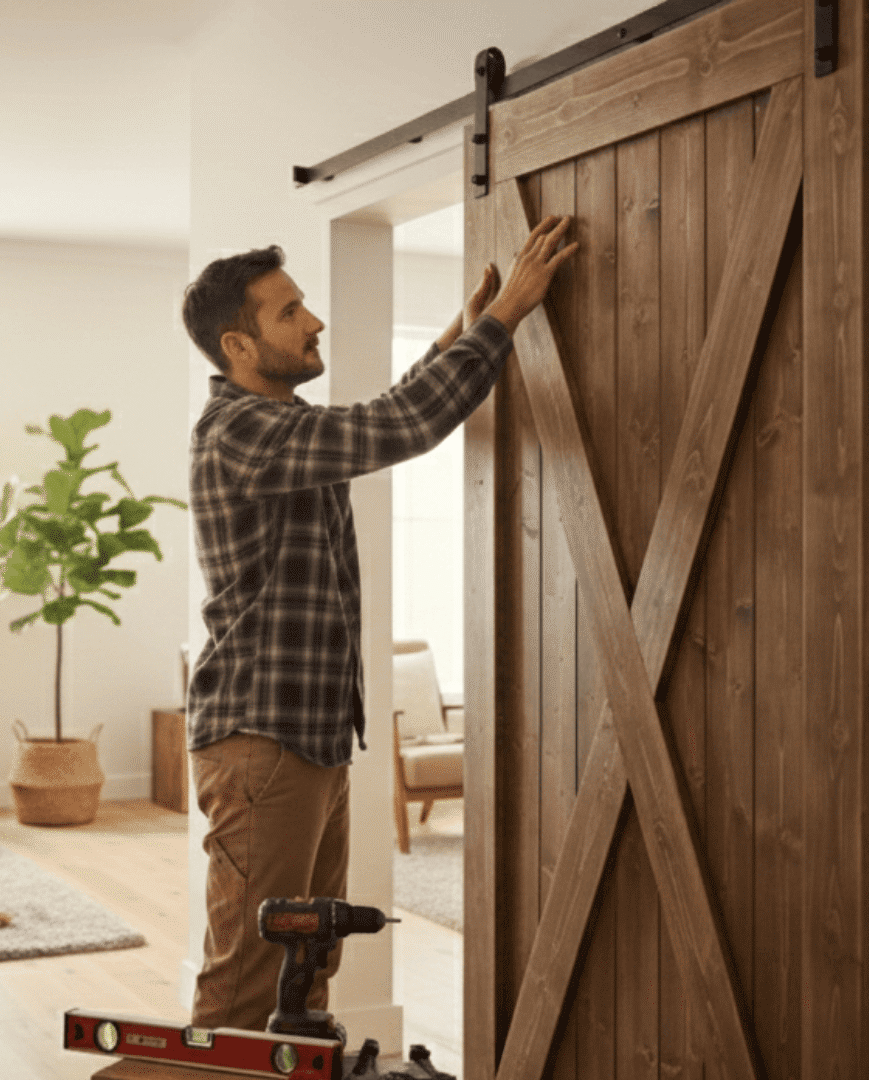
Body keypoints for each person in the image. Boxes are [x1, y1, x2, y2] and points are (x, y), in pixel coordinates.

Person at [179, 214, 577, 1032]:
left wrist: (460, 339)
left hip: (308, 736)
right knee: (249, 981)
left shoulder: (283, 428)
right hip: (262, 740)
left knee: (304, 965)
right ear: (238, 346)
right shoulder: (242, 432)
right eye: (289, 311)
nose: (314, 320)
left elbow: (383, 412)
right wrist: (502, 325)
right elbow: (400, 428)